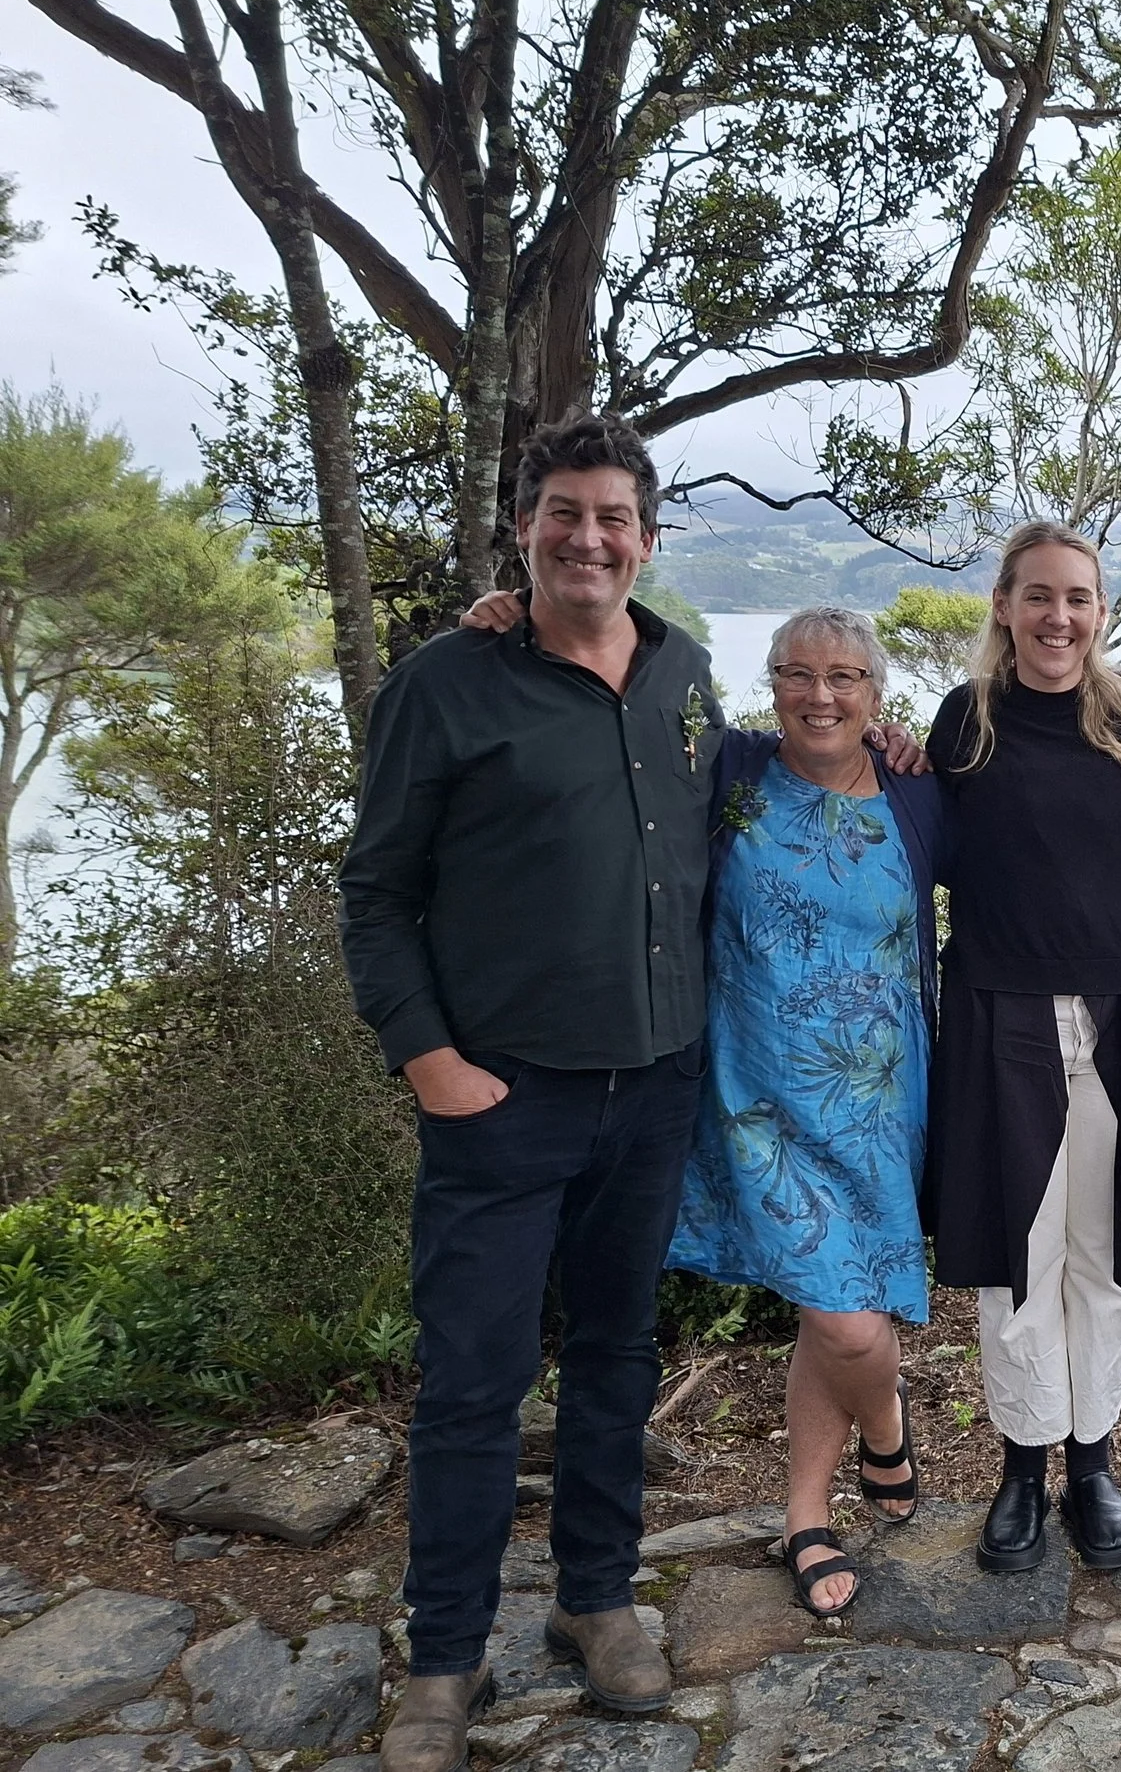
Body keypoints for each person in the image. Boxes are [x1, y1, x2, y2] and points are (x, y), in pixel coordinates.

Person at [342, 414, 715, 1770]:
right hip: (501, 1100)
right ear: (526, 525)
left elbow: (721, 816)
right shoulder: (447, 682)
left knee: (617, 1356)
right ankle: (444, 1656)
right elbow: (376, 893)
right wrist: (430, 1059)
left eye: (614, 515)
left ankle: (596, 1596)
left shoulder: (685, 668)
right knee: (473, 1382)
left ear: (648, 537)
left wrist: (884, 745)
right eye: (565, 511)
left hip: (656, 1082)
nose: (589, 536)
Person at [923, 521, 1121, 1577]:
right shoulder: (966, 724)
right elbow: (913, 831)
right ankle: (1020, 1468)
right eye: (1038, 596)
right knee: (1017, 1256)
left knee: (1109, 1251)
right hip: (1002, 1019)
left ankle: (1092, 1465)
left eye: (1078, 597)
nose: (1059, 617)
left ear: (1100, 608)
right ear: (1003, 605)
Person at [672, 606, 942, 1616]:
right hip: (756, 1099)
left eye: (844, 678)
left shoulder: (918, 798)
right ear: (771, 684)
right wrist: (505, 622)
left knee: (832, 1320)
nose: (819, 695)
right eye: (797, 674)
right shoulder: (727, 777)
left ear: (877, 695)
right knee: (847, 1320)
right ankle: (885, 1433)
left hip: (880, 1104)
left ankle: (805, 1518)